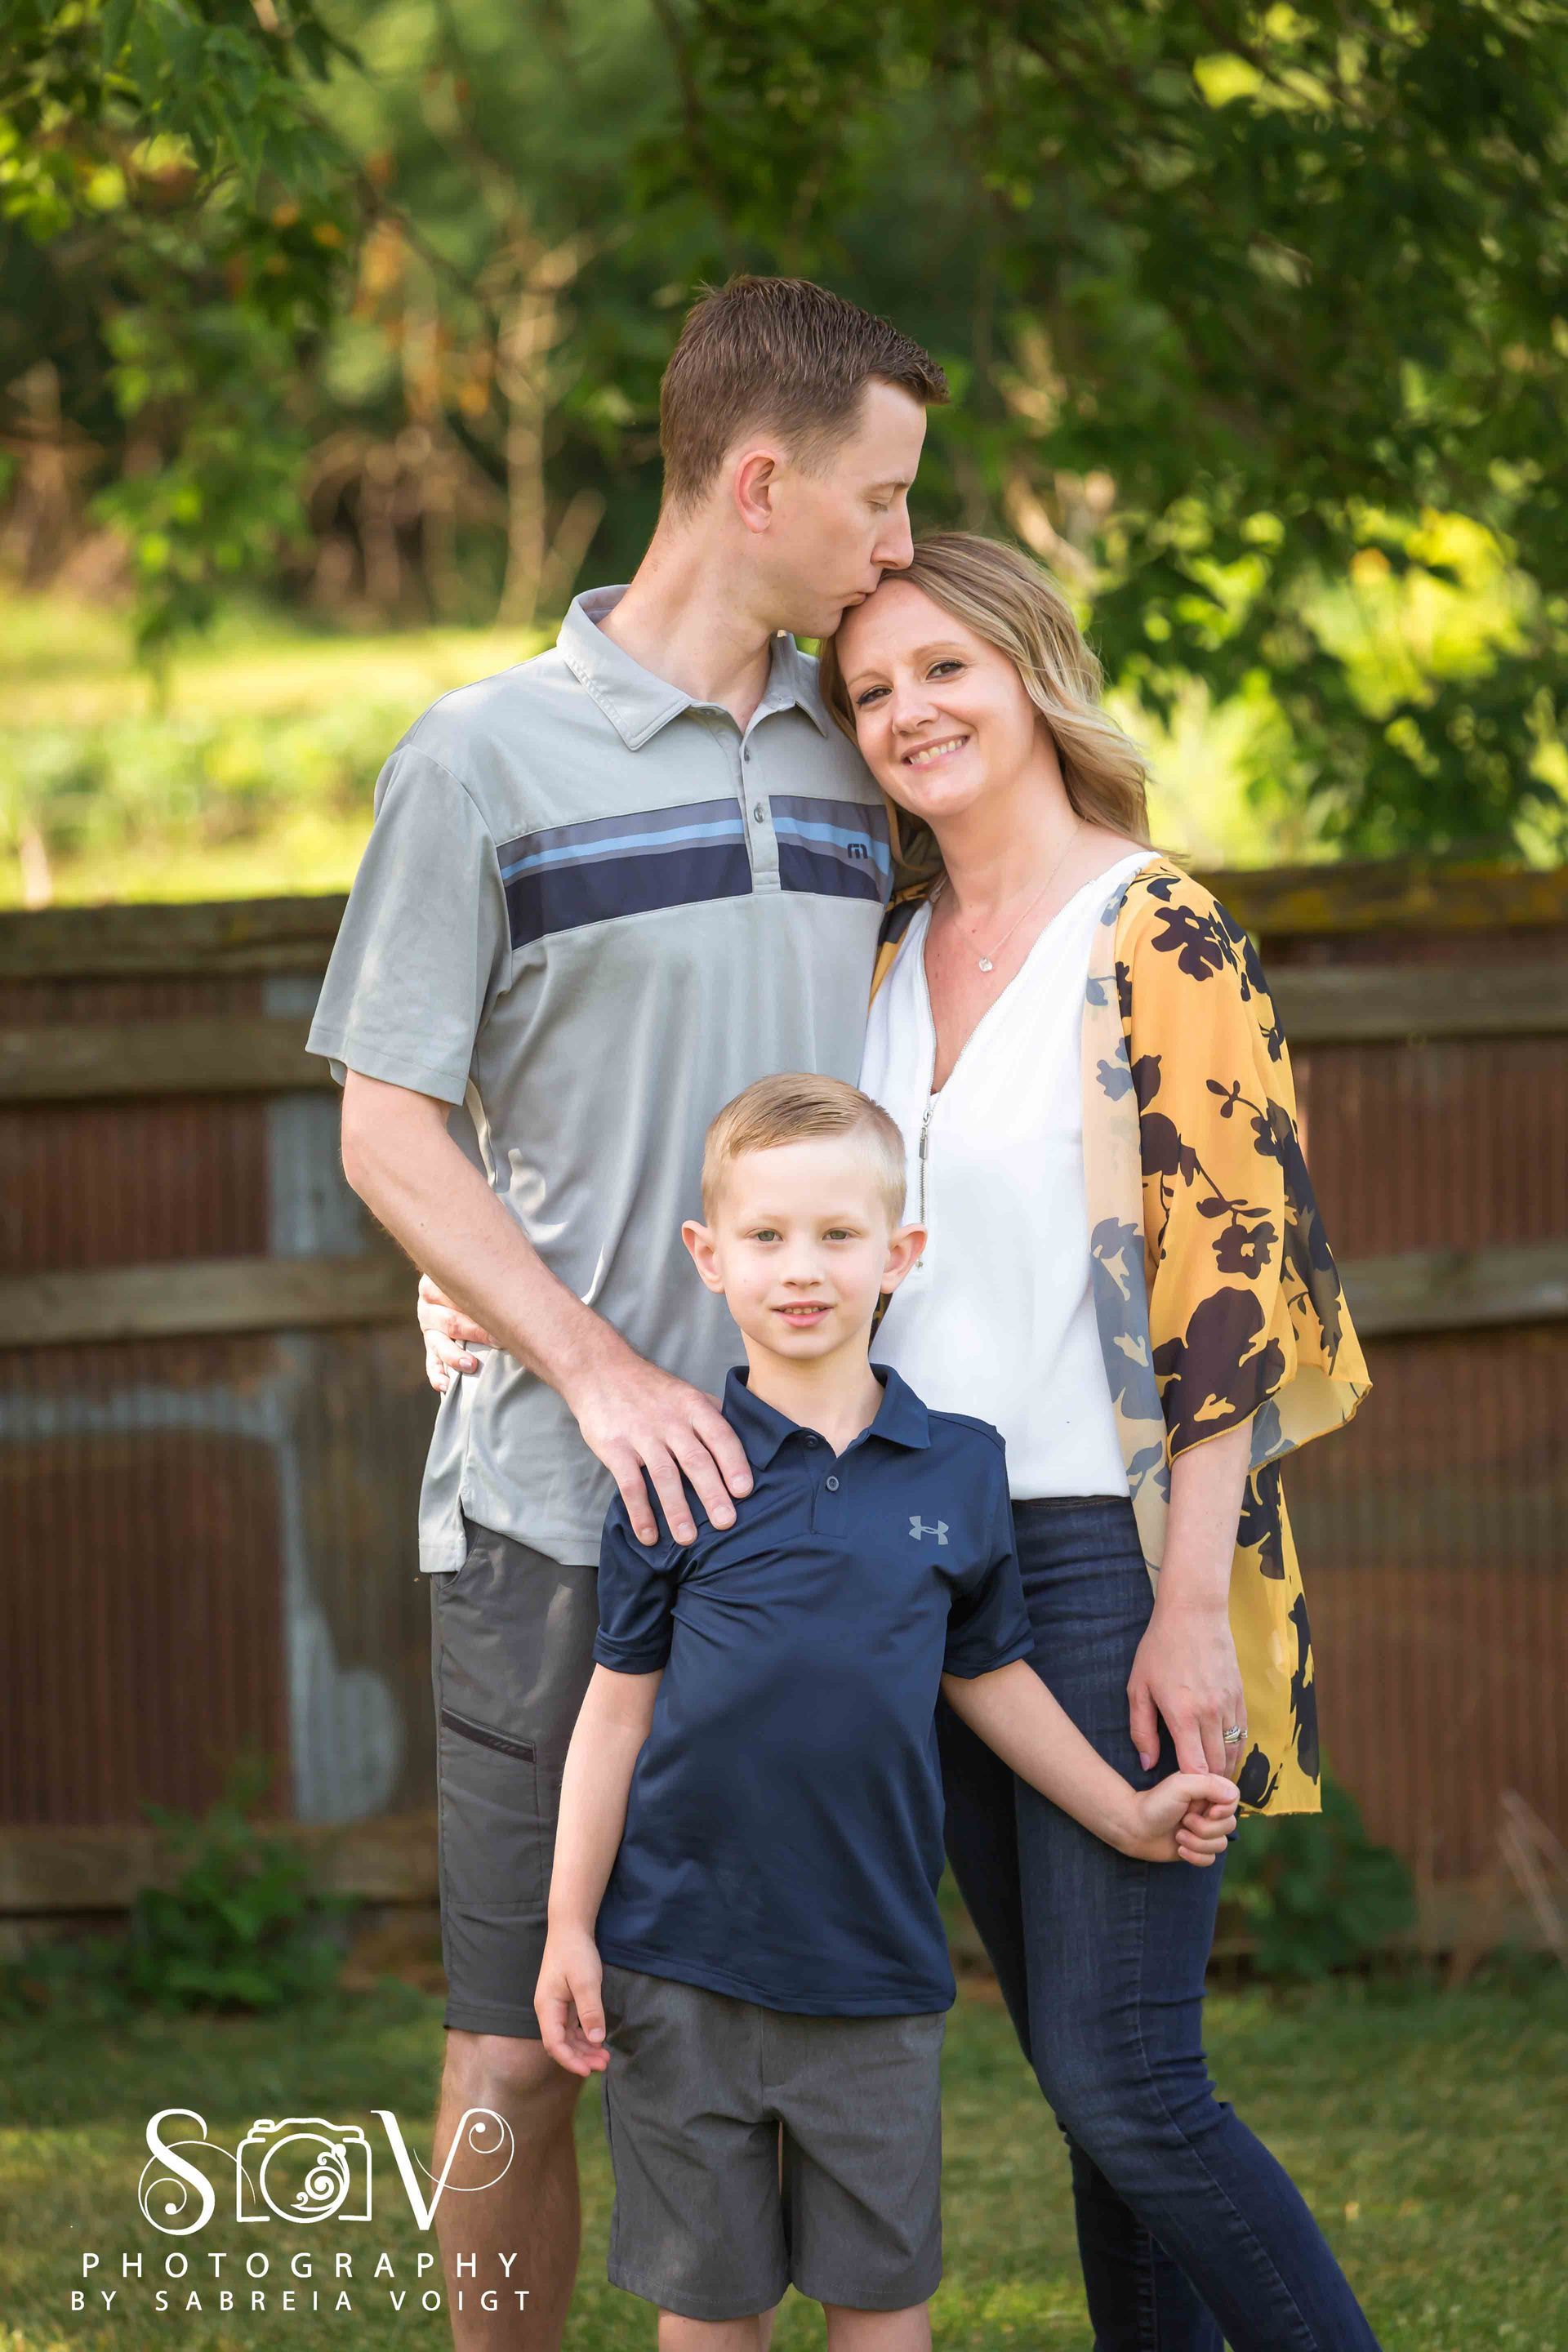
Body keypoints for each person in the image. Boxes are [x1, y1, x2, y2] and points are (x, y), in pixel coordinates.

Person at [306, 275, 947, 2349]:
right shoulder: (481, 760)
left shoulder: (871, 754)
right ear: (760, 482)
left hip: (821, 1524)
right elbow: (390, 1125)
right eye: (880, 498)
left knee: (782, 2045)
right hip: (559, 1518)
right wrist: (567, 1348)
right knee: (513, 2058)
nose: (901, 548)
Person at [818, 532, 1379, 2351]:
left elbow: (1236, 1284)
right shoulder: (889, 952)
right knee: (1085, 2096)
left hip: (1104, 1558)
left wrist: (1189, 1603)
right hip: (932, 1563)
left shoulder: (1157, 928)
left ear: (1029, 671)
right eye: (871, 692)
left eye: (942, 671)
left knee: (1134, 2079)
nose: (908, 714)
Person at [535, 1074, 1241, 2352]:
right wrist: (569, 1928)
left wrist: (1125, 1811)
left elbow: (989, 1678)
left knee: (881, 2305)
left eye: (838, 1236)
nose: (801, 1271)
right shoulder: (677, 1470)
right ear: (709, 1256)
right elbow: (613, 1718)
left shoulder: (960, 1466)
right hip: (681, 1965)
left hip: (875, 1978)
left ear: (898, 1255)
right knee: (710, 2309)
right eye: (765, 1237)